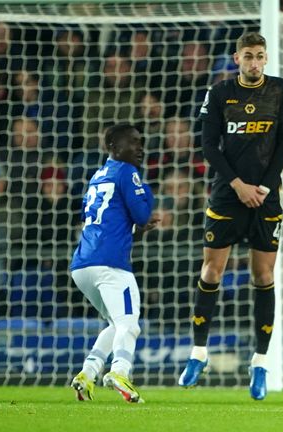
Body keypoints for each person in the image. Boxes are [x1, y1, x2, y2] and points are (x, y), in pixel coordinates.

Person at [178, 32, 283, 401]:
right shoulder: (219, 93)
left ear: (266, 58)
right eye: (248, 56)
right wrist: (238, 184)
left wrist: (263, 185)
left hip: (265, 197)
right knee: (211, 271)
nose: (255, 62)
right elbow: (209, 146)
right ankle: (198, 354)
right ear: (236, 58)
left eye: (260, 56)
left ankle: (260, 364)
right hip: (228, 196)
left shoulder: (281, 91)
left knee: (263, 277)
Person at [69, 124, 159, 403]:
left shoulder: (98, 176)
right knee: (129, 324)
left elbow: (109, 220)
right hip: (110, 265)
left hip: (83, 265)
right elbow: (142, 214)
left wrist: (135, 231)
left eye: (140, 141)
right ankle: (120, 372)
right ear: (114, 147)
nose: (140, 147)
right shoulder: (127, 172)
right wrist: (145, 189)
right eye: (133, 142)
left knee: (115, 323)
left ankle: (87, 373)